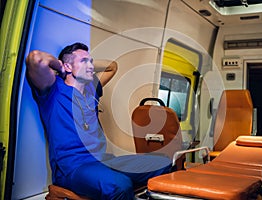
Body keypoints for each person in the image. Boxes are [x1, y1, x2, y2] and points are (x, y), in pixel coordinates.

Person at [26, 42, 171, 199]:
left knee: (163, 163)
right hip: (74, 167)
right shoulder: (54, 91)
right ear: (67, 67)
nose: (91, 66)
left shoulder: (91, 89)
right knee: (120, 185)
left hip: (104, 161)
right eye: (84, 61)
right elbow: (36, 58)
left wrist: (86, 62)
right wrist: (60, 67)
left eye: (91, 61)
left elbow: (112, 66)